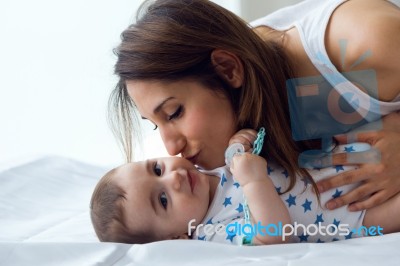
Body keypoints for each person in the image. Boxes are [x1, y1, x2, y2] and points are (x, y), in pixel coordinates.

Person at [109, 0, 400, 215]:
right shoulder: (251, 118)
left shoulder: (363, 44)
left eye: (174, 113)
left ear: (227, 69)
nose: (171, 148)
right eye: (156, 124)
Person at [90, 130, 400, 245]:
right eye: (163, 199)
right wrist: (253, 181)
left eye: (157, 169)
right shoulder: (211, 231)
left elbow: (246, 140)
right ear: (177, 237)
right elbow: (273, 233)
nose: (173, 178)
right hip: (352, 216)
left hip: (337, 159)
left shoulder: (209, 163)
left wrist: (240, 141)